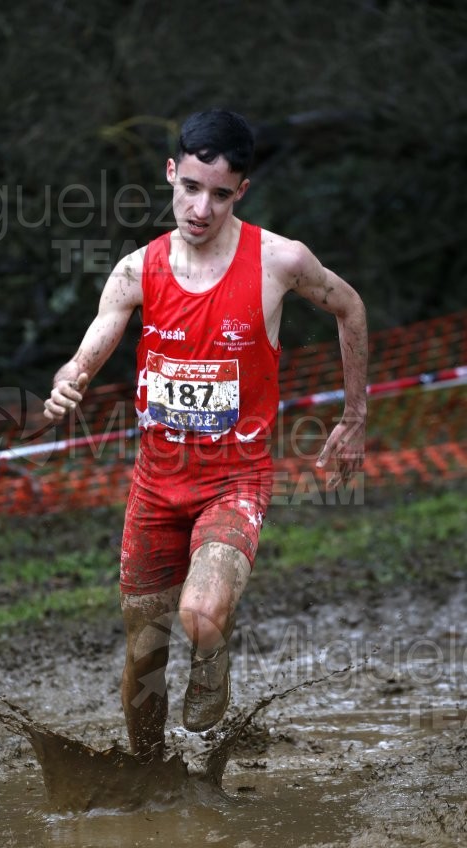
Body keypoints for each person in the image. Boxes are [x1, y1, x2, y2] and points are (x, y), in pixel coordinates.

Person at [44, 109, 368, 763]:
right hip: (155, 487)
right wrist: (73, 375)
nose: (201, 207)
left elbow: (350, 306)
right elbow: (100, 334)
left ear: (240, 191)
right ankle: (146, 776)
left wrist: (353, 419)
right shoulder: (139, 269)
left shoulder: (280, 261)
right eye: (191, 187)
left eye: (220, 194)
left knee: (200, 613)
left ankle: (213, 652)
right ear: (172, 173)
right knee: (144, 655)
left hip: (234, 481)